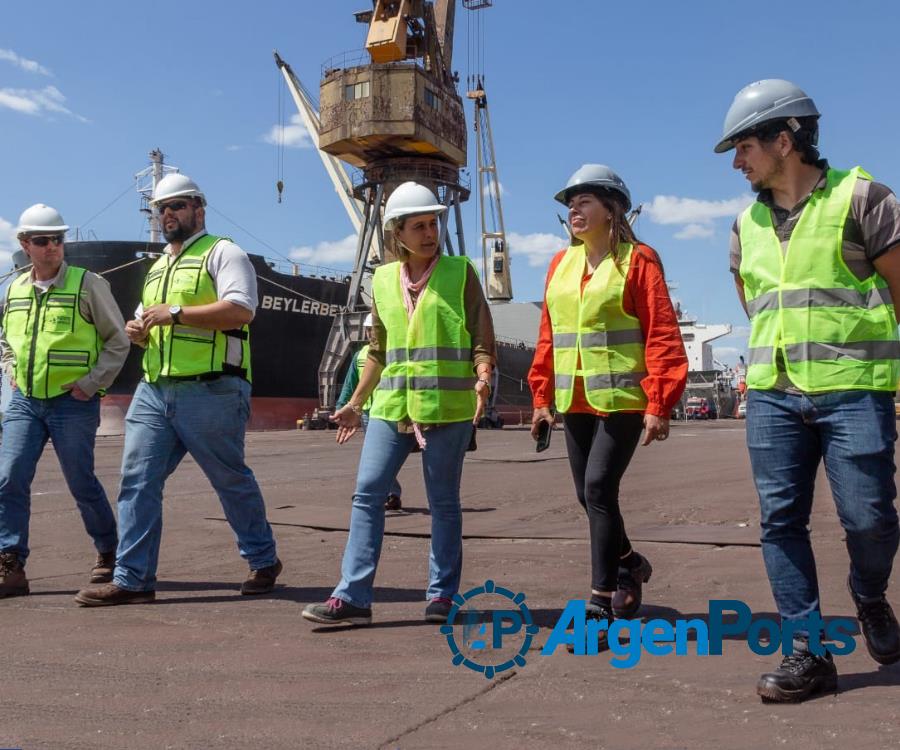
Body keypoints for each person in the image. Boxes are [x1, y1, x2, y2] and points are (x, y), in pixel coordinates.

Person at [715, 79, 900, 701]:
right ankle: (806, 651)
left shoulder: (865, 200)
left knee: (869, 519)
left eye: (743, 147)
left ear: (783, 140)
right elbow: (752, 300)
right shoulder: (745, 223)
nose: (737, 162)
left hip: (855, 390)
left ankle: (869, 596)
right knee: (780, 522)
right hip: (771, 395)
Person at [73, 173, 282, 606]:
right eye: (161, 209)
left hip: (212, 390)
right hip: (154, 389)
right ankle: (133, 579)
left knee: (229, 480)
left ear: (198, 209)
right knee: (137, 481)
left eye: (177, 206)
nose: (168, 215)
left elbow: (241, 310)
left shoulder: (224, 253)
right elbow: (151, 320)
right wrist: (138, 330)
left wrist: (177, 312)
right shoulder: (157, 267)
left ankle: (263, 559)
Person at [301, 181, 496, 626]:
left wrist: (483, 380)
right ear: (397, 233)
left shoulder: (461, 272)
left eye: (434, 223)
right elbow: (377, 350)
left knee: (443, 502)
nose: (430, 233)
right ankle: (352, 597)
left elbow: (482, 339)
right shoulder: (384, 279)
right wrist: (354, 402)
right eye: (419, 226)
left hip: (447, 409)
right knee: (367, 493)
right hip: (391, 408)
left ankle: (442, 596)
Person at [528, 165, 687, 643]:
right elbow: (548, 337)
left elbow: (662, 332)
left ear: (612, 209)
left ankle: (599, 600)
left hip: (623, 397)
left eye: (585, 201)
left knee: (598, 489)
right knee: (587, 496)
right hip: (572, 397)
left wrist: (659, 402)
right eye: (570, 204)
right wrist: (540, 398)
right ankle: (630, 565)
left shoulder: (638, 261)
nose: (574, 210)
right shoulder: (561, 265)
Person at [0, 204, 129, 598]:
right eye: (43, 240)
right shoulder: (15, 288)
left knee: (80, 481)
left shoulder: (88, 284)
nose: (53, 246)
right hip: (26, 401)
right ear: (25, 244)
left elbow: (118, 340)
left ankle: (109, 550)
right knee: (8, 478)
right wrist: (10, 370)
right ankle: (11, 564)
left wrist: (91, 384)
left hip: (72, 401)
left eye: (58, 239)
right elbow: (5, 339)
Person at [335, 313, 403, 510]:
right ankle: (387, 493)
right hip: (366, 412)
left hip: (388, 409)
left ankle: (382, 492)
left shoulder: (393, 351)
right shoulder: (361, 355)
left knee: (385, 456)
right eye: (369, 329)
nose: (371, 332)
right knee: (376, 455)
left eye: (374, 328)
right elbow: (351, 383)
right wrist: (343, 406)